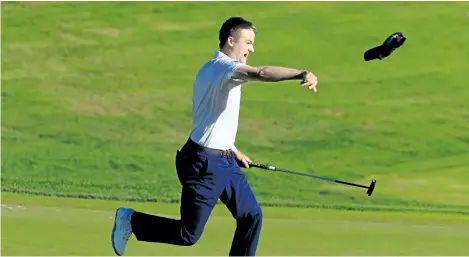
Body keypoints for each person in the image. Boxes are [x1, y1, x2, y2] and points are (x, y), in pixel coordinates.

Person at [111, 16, 318, 256]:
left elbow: (211, 119)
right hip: (204, 164)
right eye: (248, 42)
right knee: (188, 235)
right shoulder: (223, 68)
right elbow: (261, 73)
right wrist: (301, 73)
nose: (252, 48)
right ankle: (132, 220)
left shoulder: (214, 70)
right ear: (231, 41)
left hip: (224, 159)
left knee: (251, 215)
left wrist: (234, 149)